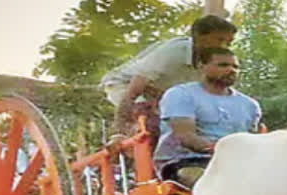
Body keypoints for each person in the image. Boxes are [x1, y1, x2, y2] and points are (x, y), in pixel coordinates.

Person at [101, 15, 238, 142]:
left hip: (160, 92)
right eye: (220, 40)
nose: (224, 47)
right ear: (199, 37)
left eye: (229, 43)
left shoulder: (213, 63)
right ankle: (132, 150)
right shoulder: (174, 53)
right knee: (151, 125)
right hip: (123, 84)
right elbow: (132, 92)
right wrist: (120, 130)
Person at [155, 47, 261, 187]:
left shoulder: (249, 105)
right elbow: (186, 138)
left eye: (235, 66)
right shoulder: (180, 94)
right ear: (201, 66)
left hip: (235, 164)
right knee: (214, 185)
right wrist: (224, 149)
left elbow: (252, 142)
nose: (232, 70)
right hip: (186, 162)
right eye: (223, 65)